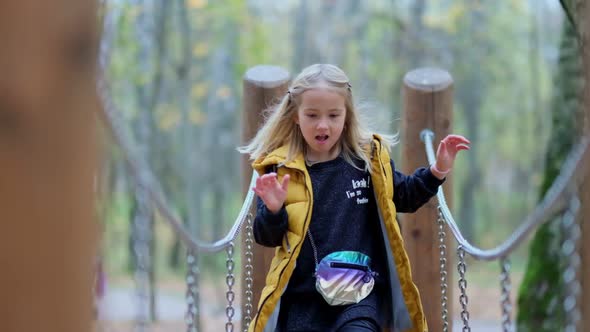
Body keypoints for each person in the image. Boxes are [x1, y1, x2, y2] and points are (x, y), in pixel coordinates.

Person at [239, 64, 469, 332]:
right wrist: (274, 209)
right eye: (312, 115)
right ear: (295, 116)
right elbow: (266, 237)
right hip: (303, 299)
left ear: (346, 116)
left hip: (359, 295)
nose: (323, 124)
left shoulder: (367, 161)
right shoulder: (281, 169)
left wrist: (437, 171)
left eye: (333, 115)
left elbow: (403, 195)